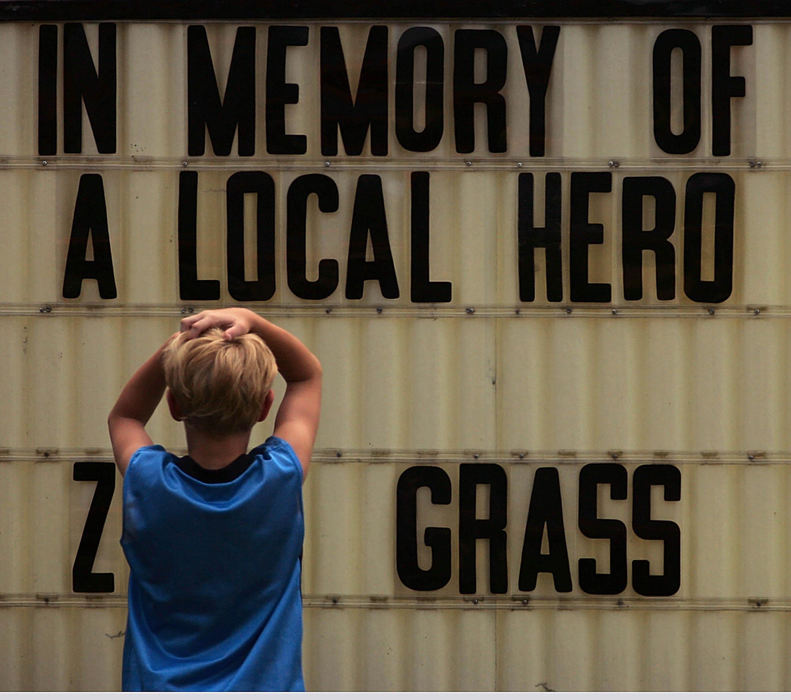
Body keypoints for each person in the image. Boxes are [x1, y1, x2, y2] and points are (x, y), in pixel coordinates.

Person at [107, 307, 322, 691]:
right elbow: (307, 375)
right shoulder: (280, 477)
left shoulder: (148, 480)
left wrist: (179, 344)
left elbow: (125, 417)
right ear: (264, 407)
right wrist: (249, 319)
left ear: (173, 405)